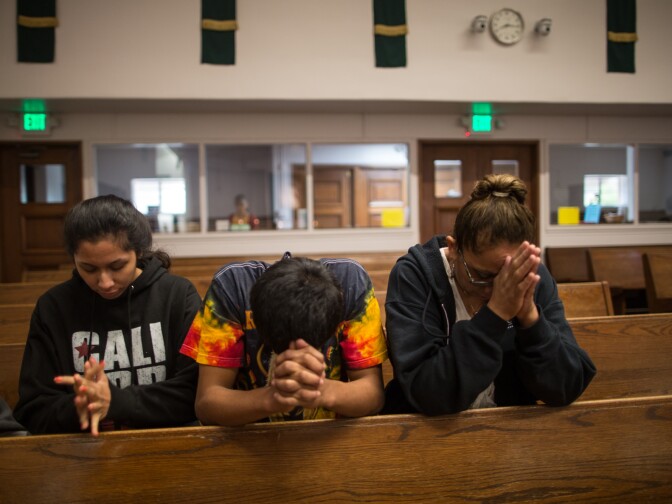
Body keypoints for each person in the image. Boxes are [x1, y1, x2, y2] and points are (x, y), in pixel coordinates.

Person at [383, 174, 596, 415]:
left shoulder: (532, 278)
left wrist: (530, 319)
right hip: (424, 435)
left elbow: (565, 388)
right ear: (454, 249)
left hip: (511, 434)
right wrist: (496, 314)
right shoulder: (415, 275)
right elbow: (428, 392)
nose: (497, 288)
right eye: (482, 275)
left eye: (507, 276)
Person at [13, 195, 201, 435]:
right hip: (82, 456)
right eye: (88, 268)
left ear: (139, 251)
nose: (104, 282)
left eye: (117, 266)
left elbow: (195, 393)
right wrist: (83, 405)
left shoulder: (177, 296)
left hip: (172, 450)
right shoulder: (53, 308)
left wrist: (116, 402)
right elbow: (32, 409)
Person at [179, 253, 387, 426]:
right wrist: (272, 398)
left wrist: (320, 390)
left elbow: (373, 394)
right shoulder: (233, 287)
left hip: (331, 441)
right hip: (251, 445)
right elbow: (207, 403)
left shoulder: (350, 285)